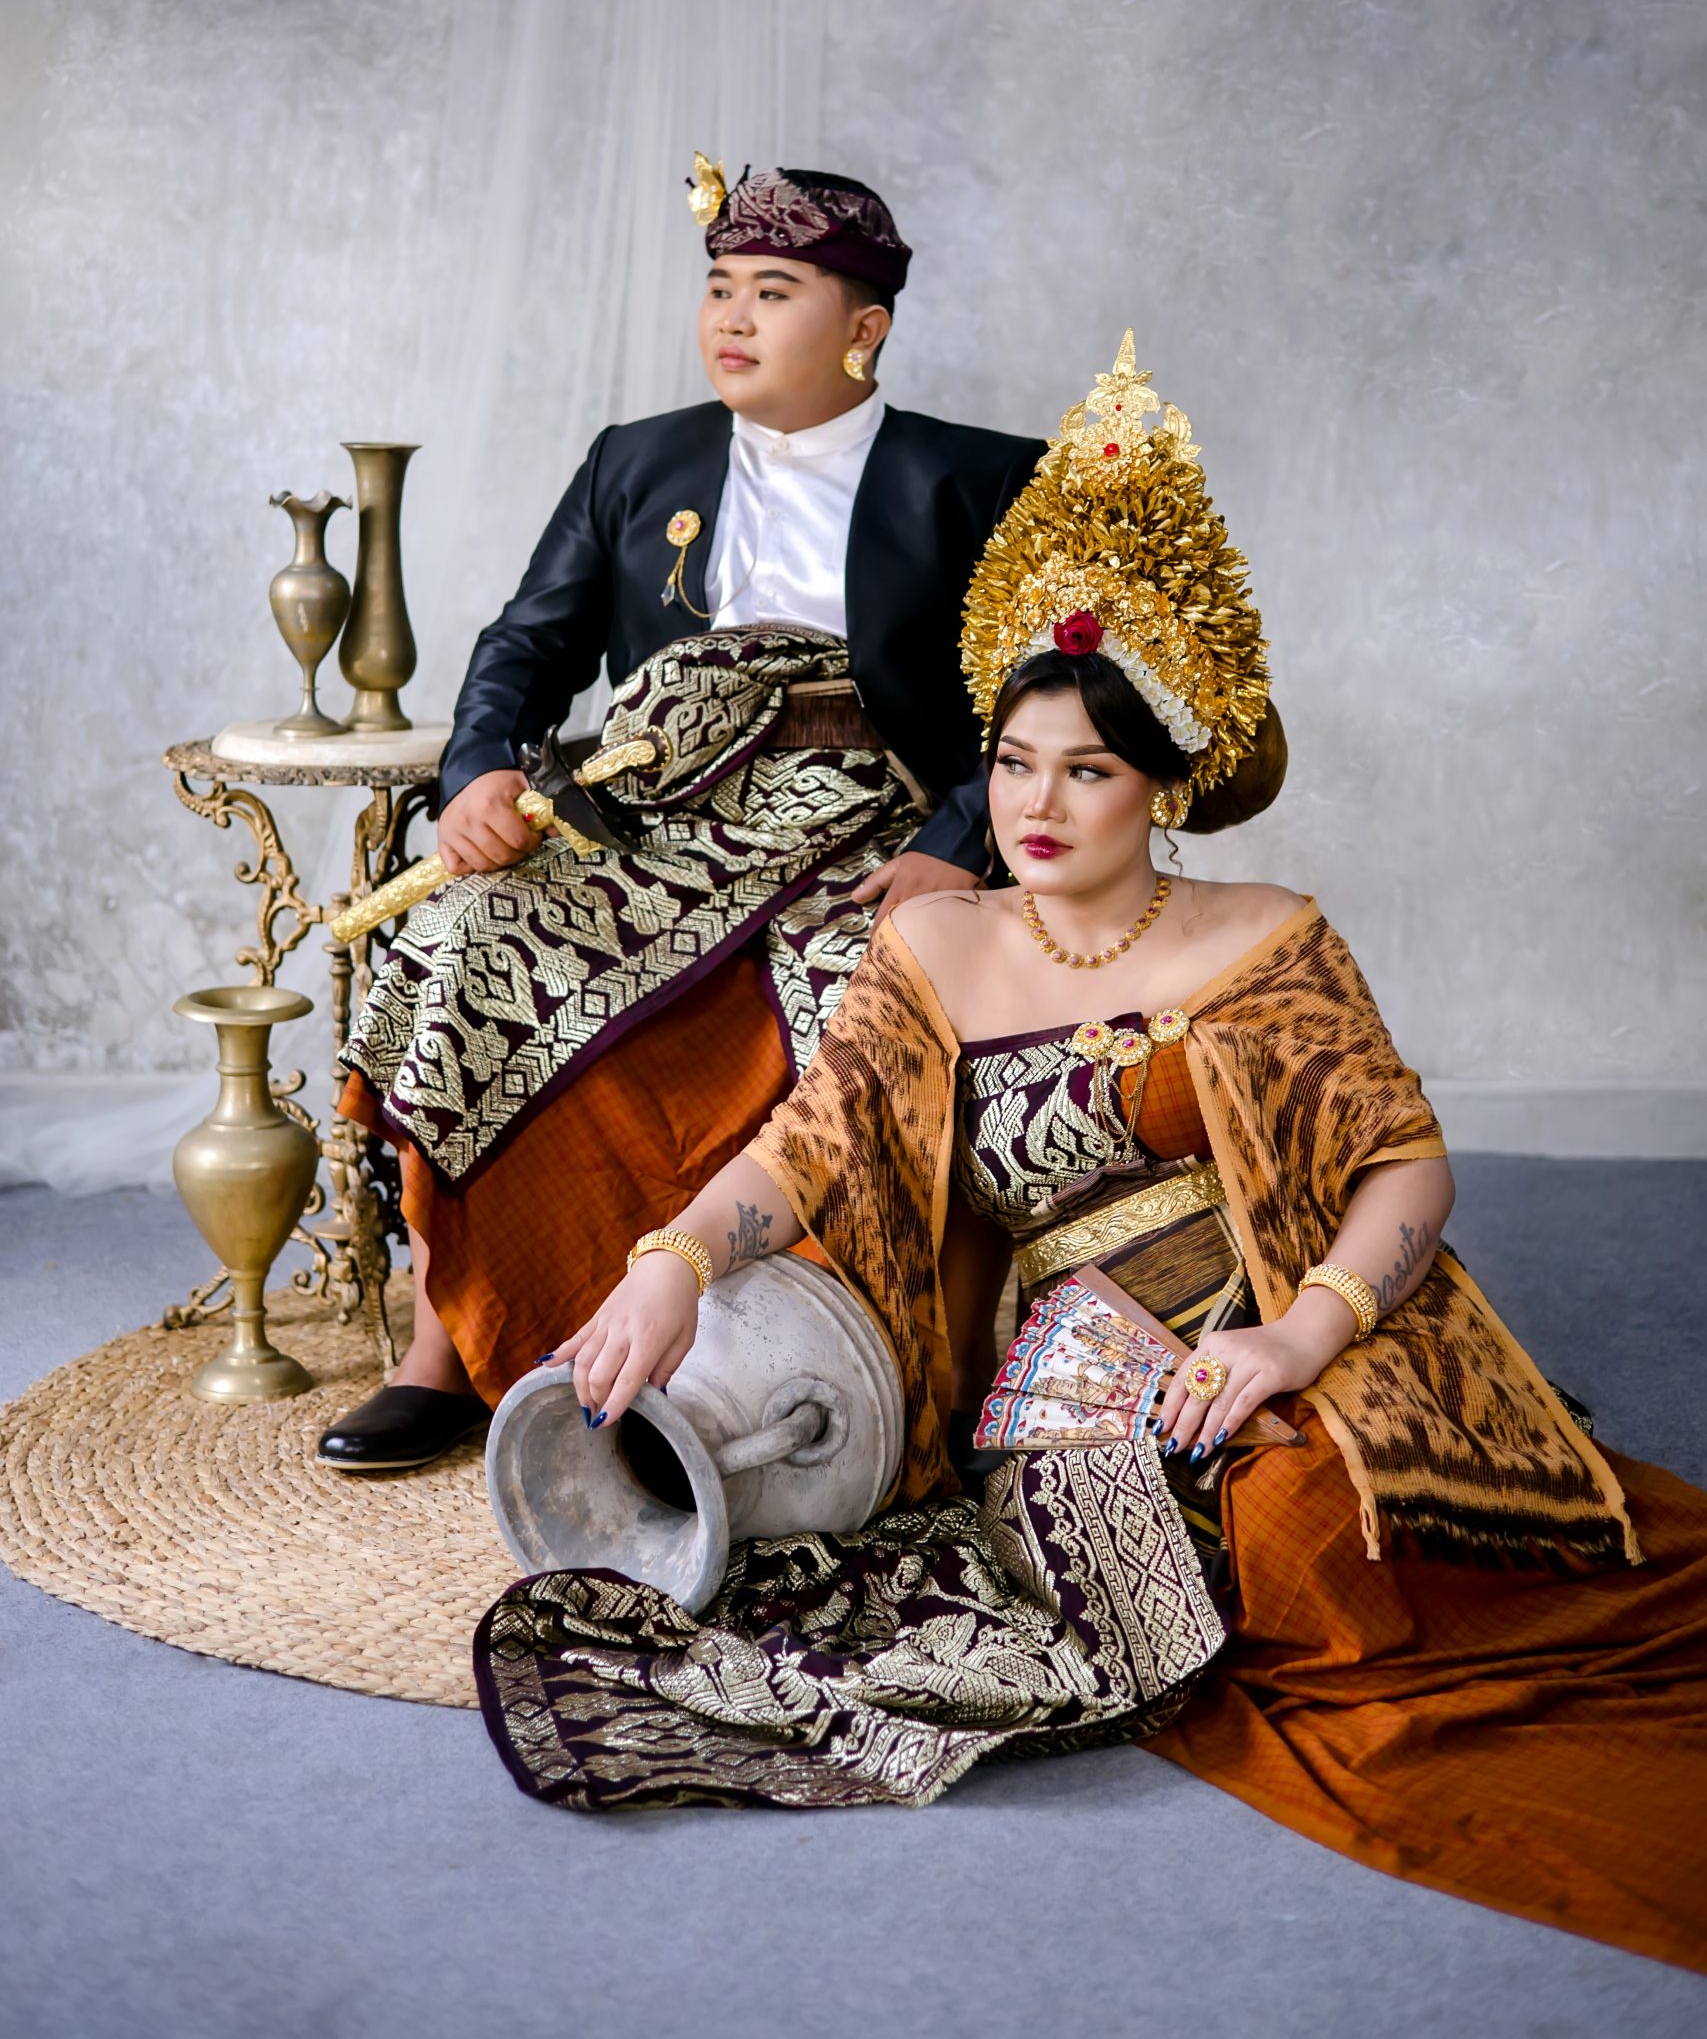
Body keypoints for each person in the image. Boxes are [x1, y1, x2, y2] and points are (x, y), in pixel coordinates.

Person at [477, 336, 1707, 1979]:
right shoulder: (938, 949)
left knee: (1350, 1520)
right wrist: (673, 1265)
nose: (1037, 805)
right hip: (1071, 1370)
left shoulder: (1266, 936)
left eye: (1091, 771)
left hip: (1291, 1309)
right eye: (1014, 761)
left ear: (1166, 787)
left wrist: (1297, 1338)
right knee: (1283, 1565)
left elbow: (1409, 1171)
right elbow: (809, 1145)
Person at [319, 161, 1043, 1471]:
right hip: (651, 809)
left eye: (774, 291)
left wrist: (958, 848)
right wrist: (477, 772)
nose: (734, 318)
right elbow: (526, 648)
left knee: (864, 992)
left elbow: (1040, 703)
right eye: (719, 288)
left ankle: (835, 1366)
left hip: (872, 817)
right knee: (459, 939)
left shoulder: (979, 479)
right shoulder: (636, 459)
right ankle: (449, 1344)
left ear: (865, 326)